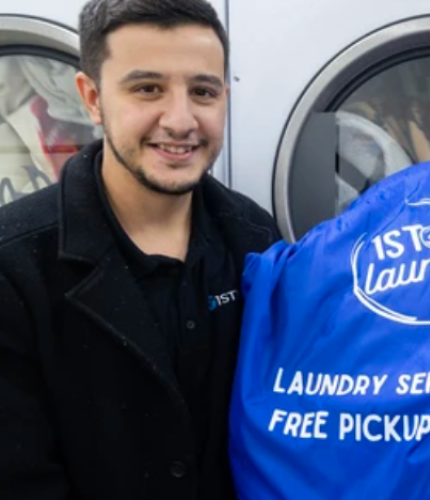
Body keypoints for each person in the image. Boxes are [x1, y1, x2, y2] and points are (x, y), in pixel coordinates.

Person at [0, 0, 280, 499]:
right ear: (92, 97)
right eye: (148, 88)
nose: (180, 120)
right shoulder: (15, 264)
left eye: (202, 91)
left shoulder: (255, 239)